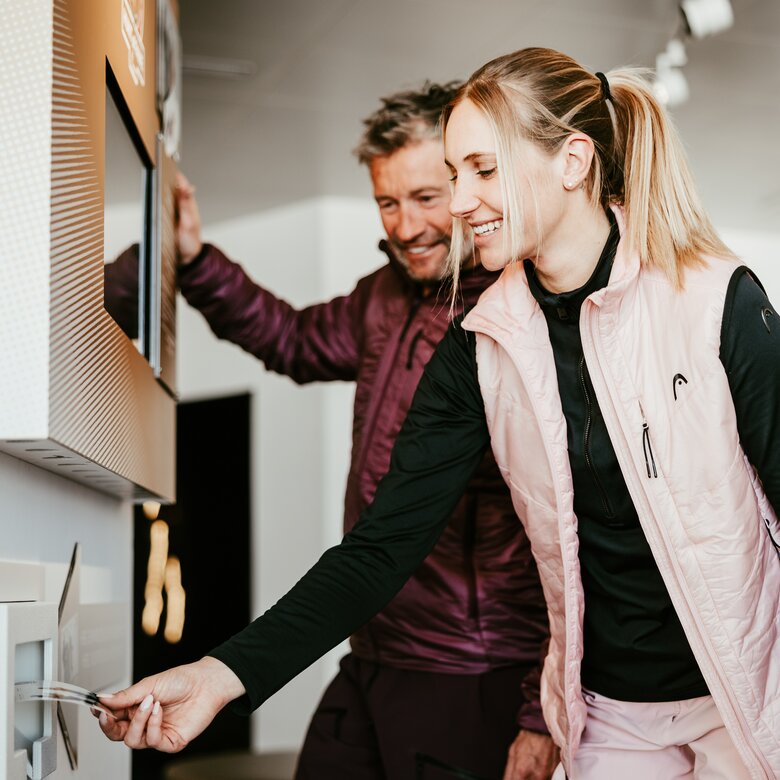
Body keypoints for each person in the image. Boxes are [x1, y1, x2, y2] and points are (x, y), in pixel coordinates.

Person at [99, 47, 780, 779]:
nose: (458, 203)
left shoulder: (716, 302)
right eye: (456, 176)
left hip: (742, 697)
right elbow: (380, 548)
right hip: (608, 714)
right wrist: (220, 674)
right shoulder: (480, 345)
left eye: (482, 171)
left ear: (574, 162)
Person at [103, 82, 554, 780]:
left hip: (471, 669)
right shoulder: (381, 297)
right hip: (371, 643)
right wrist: (195, 261)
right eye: (387, 203)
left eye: (426, 197)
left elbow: (568, 532)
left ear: (467, 188)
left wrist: (539, 707)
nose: (405, 226)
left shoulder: (514, 315)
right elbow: (292, 339)